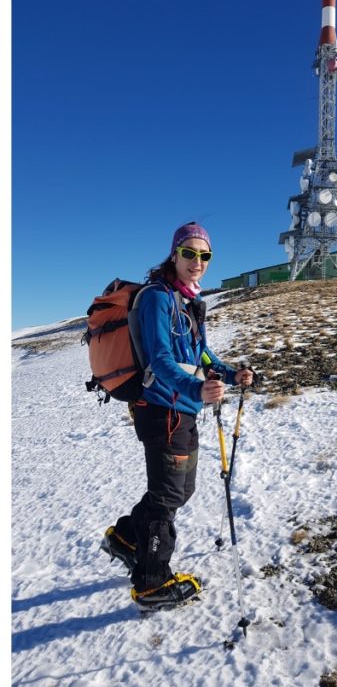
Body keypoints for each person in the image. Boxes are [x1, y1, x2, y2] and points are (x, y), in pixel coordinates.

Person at [100, 222, 255, 608]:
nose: (197, 261)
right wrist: (196, 389)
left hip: (183, 409)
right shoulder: (157, 298)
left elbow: (202, 355)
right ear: (175, 254)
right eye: (190, 253)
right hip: (160, 411)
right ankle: (152, 583)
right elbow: (160, 360)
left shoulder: (186, 302)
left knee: (178, 491)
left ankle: (126, 538)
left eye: (205, 255)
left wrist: (231, 374)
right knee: (169, 494)